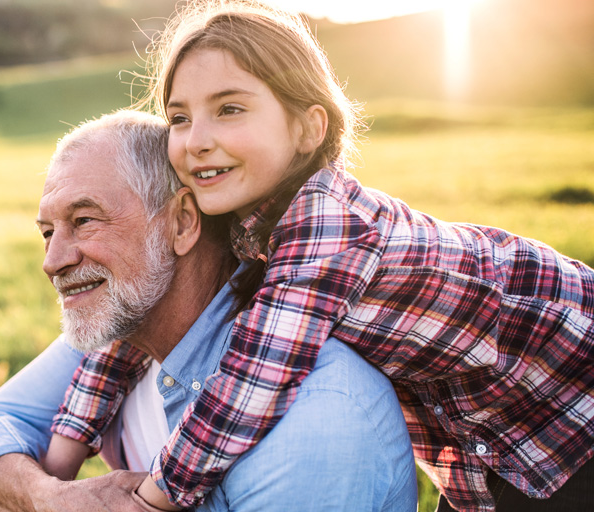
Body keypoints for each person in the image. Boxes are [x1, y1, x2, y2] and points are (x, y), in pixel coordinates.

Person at [46, 2, 594, 511]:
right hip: (486, 434)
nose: (196, 141)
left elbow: (252, 382)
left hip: (565, 399)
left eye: (229, 109)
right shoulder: (242, 214)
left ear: (309, 128)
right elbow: (132, 327)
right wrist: (59, 466)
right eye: (180, 117)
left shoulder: (326, 226)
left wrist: (150, 498)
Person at [0, 110, 417, 511]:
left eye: (84, 221)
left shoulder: (316, 416)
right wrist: (54, 500)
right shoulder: (123, 329)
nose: (52, 261)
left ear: (181, 223)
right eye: (47, 232)